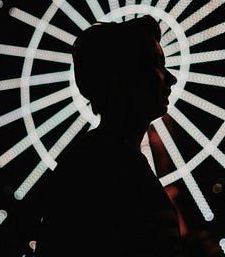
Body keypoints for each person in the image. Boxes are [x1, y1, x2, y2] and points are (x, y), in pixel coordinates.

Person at [34, 15, 184, 256]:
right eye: (156, 64)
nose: (170, 77)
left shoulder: (92, 161)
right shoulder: (99, 169)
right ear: (121, 78)